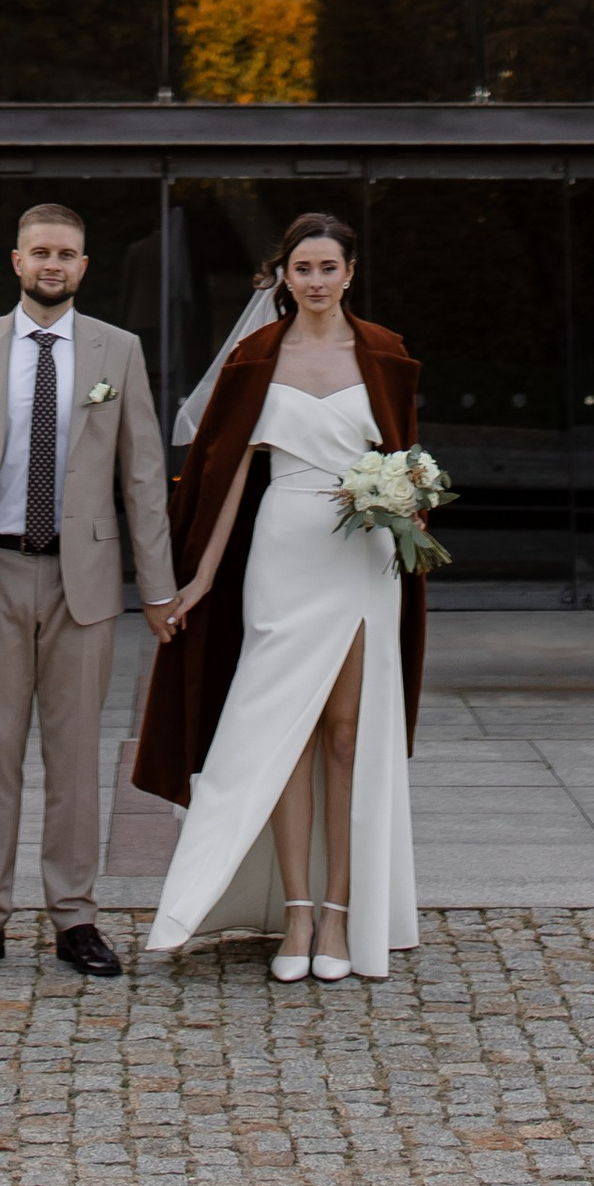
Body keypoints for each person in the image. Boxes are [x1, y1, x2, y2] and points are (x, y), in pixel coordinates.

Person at [136, 213, 422, 983]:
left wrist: (408, 500)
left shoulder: (385, 352)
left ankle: (338, 914)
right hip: (283, 551)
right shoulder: (255, 355)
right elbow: (225, 477)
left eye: (329, 267)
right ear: (284, 276)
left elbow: (409, 459)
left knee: (344, 733)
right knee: (284, 734)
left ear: (349, 273)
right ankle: (295, 914)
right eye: (304, 269)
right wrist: (195, 580)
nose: (317, 281)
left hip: (363, 559)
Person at [0, 199, 177, 980]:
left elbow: (142, 476)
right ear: (18, 261)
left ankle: (75, 918)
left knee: (73, 760)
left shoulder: (117, 351)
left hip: (84, 581)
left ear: (84, 267)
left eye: (66, 254)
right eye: (40, 253)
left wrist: (159, 589)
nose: (53, 265)